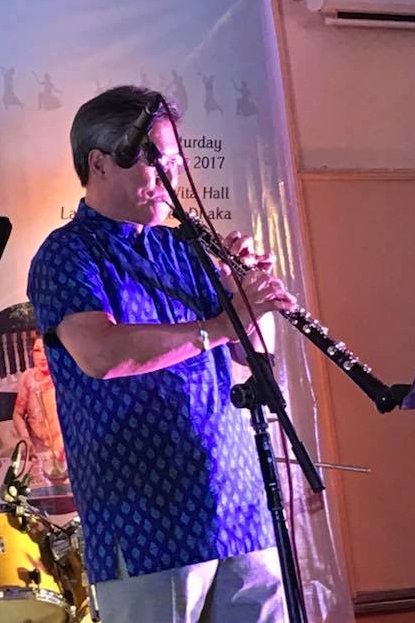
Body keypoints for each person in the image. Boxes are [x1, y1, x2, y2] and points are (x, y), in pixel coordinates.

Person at [27, 86, 297, 622]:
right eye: (155, 160)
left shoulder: (185, 246)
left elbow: (253, 357)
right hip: (148, 519)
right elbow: (101, 353)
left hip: (238, 505)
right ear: (99, 163)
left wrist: (246, 297)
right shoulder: (66, 253)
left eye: (174, 160)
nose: (171, 176)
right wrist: (218, 325)